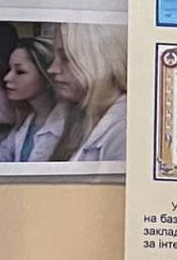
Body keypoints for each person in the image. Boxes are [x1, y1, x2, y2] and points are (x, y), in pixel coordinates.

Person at [49, 20, 128, 161]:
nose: (52, 69)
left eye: (66, 58)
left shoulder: (124, 130)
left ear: (100, 61)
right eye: (54, 58)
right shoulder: (77, 116)